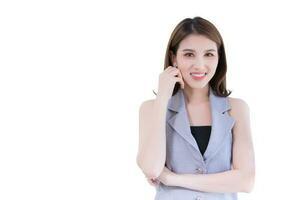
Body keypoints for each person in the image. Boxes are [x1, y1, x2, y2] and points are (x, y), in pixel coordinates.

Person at [136, 16, 255, 200]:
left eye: (209, 54)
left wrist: (172, 178)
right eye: (189, 54)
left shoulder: (236, 108)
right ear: (173, 58)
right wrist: (162, 99)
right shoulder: (151, 108)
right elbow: (151, 167)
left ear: (218, 58)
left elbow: (245, 181)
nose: (199, 65)